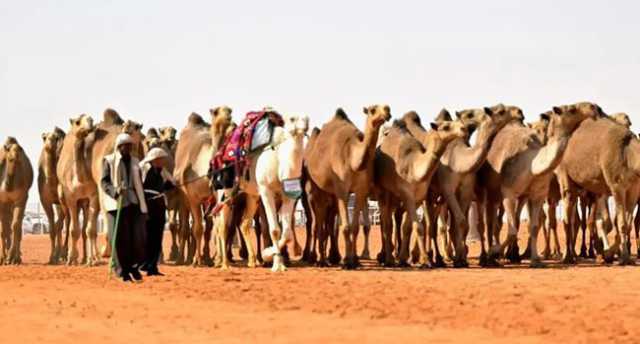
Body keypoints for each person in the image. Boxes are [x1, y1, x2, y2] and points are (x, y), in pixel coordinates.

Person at [101, 133, 148, 282]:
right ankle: (121, 271)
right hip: (116, 205)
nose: (128, 148)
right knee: (119, 239)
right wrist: (115, 191)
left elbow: (139, 182)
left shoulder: (135, 162)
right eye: (125, 145)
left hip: (133, 202)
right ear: (119, 146)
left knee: (135, 238)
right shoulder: (109, 161)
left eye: (130, 145)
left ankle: (133, 268)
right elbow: (104, 182)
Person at [139, 147, 175, 276]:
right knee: (147, 236)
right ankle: (144, 264)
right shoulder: (143, 168)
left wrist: (167, 186)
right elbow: (139, 186)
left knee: (157, 237)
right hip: (147, 205)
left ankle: (152, 267)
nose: (163, 161)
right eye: (161, 159)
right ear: (155, 159)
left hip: (159, 206)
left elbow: (171, 182)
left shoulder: (161, 171)